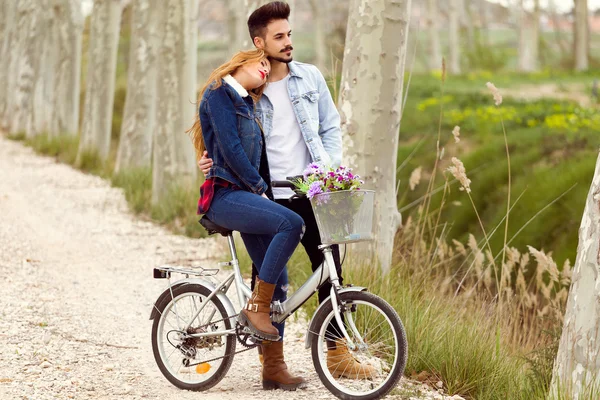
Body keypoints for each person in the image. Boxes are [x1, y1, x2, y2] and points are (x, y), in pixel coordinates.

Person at [198, 1, 376, 384]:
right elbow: (223, 135)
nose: (288, 42)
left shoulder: (309, 78)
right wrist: (208, 160)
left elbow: (330, 127)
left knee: (330, 273)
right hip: (262, 195)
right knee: (270, 280)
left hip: (312, 192)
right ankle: (272, 365)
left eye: (290, 34)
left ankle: (339, 354)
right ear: (259, 41)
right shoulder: (247, 91)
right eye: (279, 36)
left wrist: (328, 172)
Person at [188, 49, 308, 389]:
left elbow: (260, 160)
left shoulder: (249, 104)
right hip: (225, 197)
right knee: (291, 224)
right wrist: (259, 190)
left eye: (270, 69)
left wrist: (283, 186)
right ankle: (255, 309)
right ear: (241, 60)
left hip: (244, 196)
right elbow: (230, 150)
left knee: (279, 281)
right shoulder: (218, 93)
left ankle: (273, 368)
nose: (266, 70)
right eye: (262, 63)